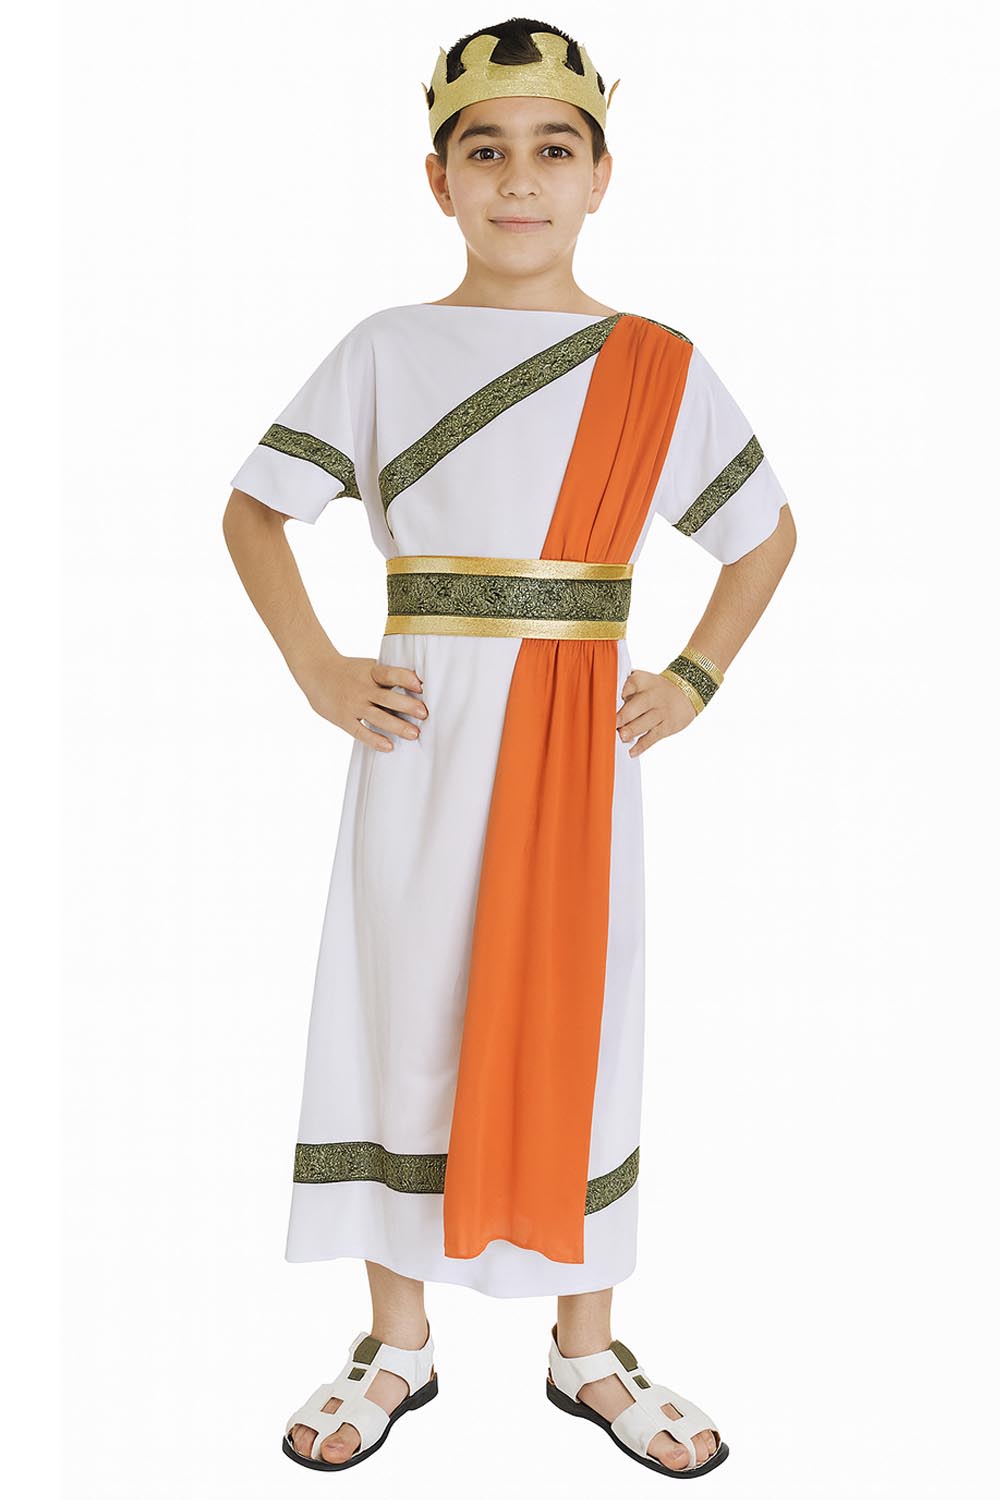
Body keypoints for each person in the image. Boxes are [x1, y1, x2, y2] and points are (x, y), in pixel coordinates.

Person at [223, 15, 796, 1479]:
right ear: (440, 180)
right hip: (419, 738)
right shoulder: (385, 347)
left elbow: (764, 535)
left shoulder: (656, 362)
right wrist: (317, 667)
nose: (519, 180)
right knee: (402, 1008)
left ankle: (585, 1344)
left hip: (577, 745)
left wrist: (694, 678)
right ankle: (397, 1341)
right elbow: (255, 511)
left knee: (580, 1016)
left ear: (602, 176)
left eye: (554, 150)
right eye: (486, 152)